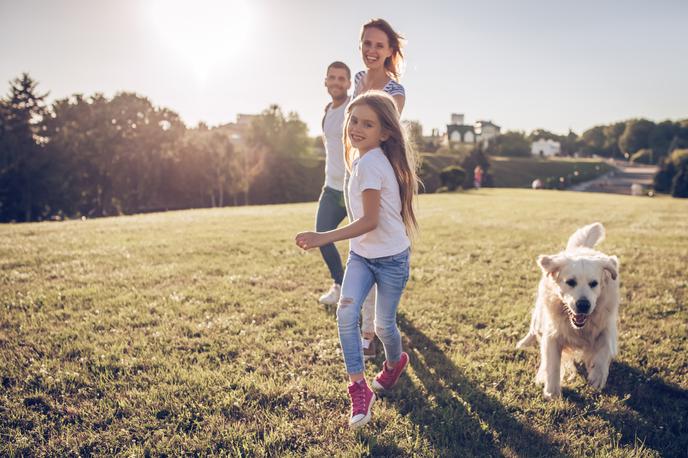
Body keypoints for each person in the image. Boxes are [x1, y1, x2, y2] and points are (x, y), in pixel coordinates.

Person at [296, 90, 419, 429]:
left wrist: (323, 237)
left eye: (369, 124)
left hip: (392, 259)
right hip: (363, 257)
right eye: (354, 121)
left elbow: (369, 221)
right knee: (346, 311)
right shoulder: (361, 159)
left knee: (383, 326)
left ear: (385, 133)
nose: (357, 128)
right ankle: (359, 387)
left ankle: (394, 364)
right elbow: (366, 227)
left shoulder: (371, 163)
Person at [350, 18, 407, 360]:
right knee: (361, 247)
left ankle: (370, 334)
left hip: (380, 175)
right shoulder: (358, 80)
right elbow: (353, 124)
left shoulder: (395, 92)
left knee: (376, 246)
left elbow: (381, 133)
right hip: (355, 170)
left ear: (390, 52)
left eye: (379, 46)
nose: (371, 51)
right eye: (366, 43)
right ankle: (370, 328)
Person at [315, 61, 352, 306]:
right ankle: (339, 285)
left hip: (353, 188)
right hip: (331, 187)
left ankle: (366, 293)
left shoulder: (354, 107)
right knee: (322, 236)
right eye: (332, 78)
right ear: (325, 81)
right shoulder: (327, 111)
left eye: (341, 78)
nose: (336, 82)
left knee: (364, 245)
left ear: (349, 83)